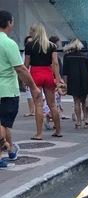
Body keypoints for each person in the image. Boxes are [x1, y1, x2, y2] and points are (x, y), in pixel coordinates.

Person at [0, 10, 41, 167]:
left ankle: (9, 148)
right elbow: (21, 69)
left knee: (3, 123)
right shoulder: (9, 43)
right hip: (7, 90)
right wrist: (33, 87)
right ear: (9, 23)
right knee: (5, 123)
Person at [24, 23, 63, 139]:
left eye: (31, 31)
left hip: (35, 74)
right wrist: (57, 80)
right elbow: (55, 63)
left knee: (39, 105)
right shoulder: (51, 46)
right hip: (48, 73)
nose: (30, 33)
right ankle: (58, 130)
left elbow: (26, 64)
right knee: (52, 105)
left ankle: (39, 133)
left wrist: (25, 80)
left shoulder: (29, 46)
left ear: (34, 32)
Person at [63, 39, 88, 128]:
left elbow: (65, 72)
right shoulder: (85, 57)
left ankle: (79, 122)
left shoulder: (67, 57)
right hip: (84, 79)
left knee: (76, 100)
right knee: (84, 101)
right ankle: (86, 119)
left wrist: (65, 83)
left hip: (73, 80)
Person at [22, 35, 35, 117]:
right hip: (28, 72)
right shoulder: (25, 53)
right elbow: (23, 64)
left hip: (35, 72)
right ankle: (31, 110)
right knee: (28, 92)